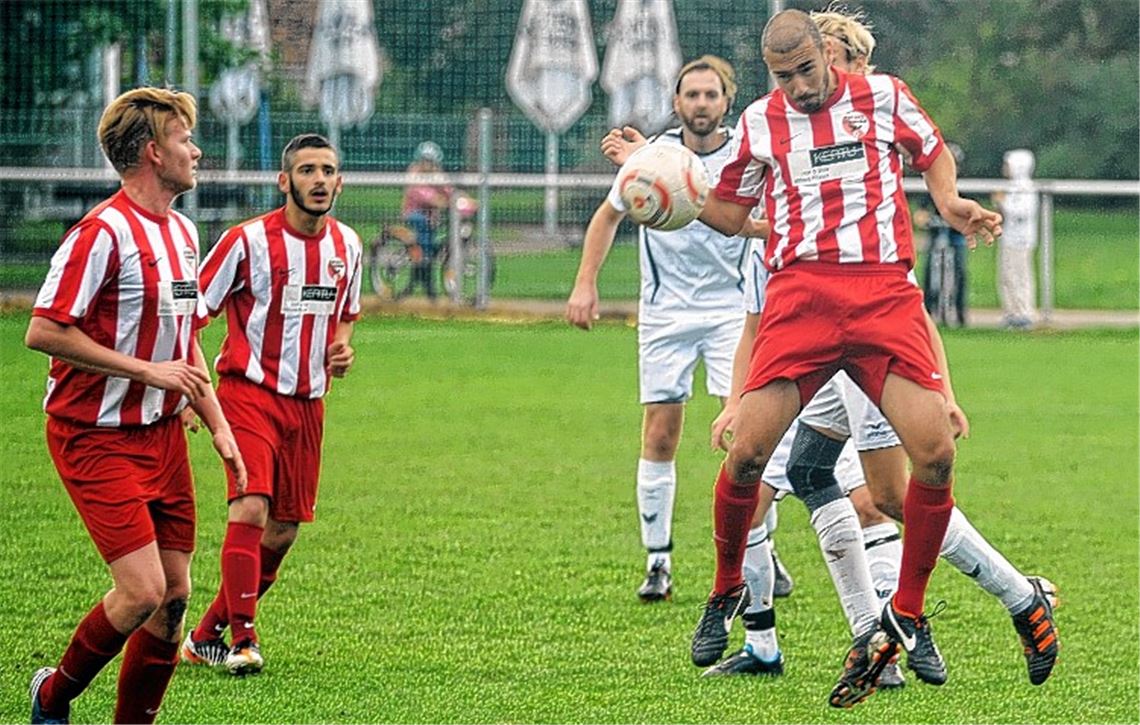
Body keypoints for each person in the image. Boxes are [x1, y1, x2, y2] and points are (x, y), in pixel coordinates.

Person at [691, 9, 1006, 707]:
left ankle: (911, 610)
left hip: (880, 294)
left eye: (808, 68)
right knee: (746, 454)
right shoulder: (760, 123)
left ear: (825, 57)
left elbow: (933, 153)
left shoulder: (884, 97)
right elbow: (726, 209)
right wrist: (671, 194)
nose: (800, 85)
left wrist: (950, 201)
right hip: (800, 297)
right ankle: (725, 590)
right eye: (784, 76)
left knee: (935, 453)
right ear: (769, 74)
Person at [24, 86, 246, 724]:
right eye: (184, 140)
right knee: (142, 591)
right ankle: (51, 698)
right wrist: (146, 370)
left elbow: (188, 341)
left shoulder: (181, 231)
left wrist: (220, 427)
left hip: (162, 440)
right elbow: (43, 330)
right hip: (93, 436)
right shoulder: (101, 233)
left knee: (174, 598)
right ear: (153, 151)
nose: (196, 151)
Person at [567, 55, 793, 604]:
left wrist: (759, 231)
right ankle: (658, 562)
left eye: (710, 94)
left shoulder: (747, 152)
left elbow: (763, 218)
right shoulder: (656, 159)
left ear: (726, 101)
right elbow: (607, 215)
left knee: (748, 437)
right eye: (690, 94)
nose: (700, 104)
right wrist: (585, 284)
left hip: (732, 313)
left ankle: (761, 549)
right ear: (676, 103)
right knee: (661, 433)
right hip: (665, 312)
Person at [180, 133, 363, 675]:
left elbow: (346, 311)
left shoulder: (347, 246)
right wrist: (191, 390)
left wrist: (342, 347)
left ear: (339, 181)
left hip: (308, 405)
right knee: (251, 506)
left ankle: (205, 635)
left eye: (328, 171)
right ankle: (243, 641)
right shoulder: (246, 241)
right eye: (307, 170)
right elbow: (192, 310)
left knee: (282, 531)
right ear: (285, 181)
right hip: (247, 394)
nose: (319, 180)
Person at [918, 142, 969, 327]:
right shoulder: (932, 187)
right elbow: (921, 214)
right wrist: (927, 220)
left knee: (959, 273)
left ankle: (958, 313)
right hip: (936, 238)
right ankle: (930, 312)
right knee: (930, 273)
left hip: (955, 239)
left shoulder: (962, 188)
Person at [992, 148, 1040, 329]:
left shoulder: (1027, 188)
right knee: (1007, 276)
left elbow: (1023, 212)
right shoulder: (1011, 188)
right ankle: (1011, 311)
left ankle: (1024, 312)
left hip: (1021, 240)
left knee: (1020, 276)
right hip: (1008, 238)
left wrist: (1002, 202)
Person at [400, 141, 452, 299]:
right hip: (414, 215)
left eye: (431, 162)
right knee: (424, 240)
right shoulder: (414, 173)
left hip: (431, 219)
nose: (428, 165)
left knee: (430, 245)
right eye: (425, 161)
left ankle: (418, 280)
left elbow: (449, 190)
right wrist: (439, 200)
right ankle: (427, 283)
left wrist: (457, 199)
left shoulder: (437, 175)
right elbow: (420, 193)